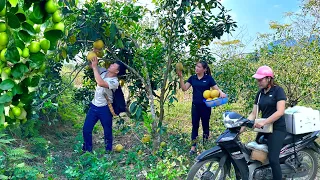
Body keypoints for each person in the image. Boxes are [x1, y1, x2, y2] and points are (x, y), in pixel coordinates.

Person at [244, 65, 287, 180]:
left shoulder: (278, 91)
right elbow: (254, 113)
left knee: (273, 159)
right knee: (255, 153)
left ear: (269, 78)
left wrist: (264, 122)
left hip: (277, 128)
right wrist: (243, 125)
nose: (258, 82)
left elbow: (280, 111)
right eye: (257, 79)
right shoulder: (260, 94)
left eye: (260, 79)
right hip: (265, 129)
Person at [177, 61, 227, 155]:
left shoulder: (208, 79)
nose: (196, 68)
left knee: (205, 126)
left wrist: (221, 93)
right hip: (195, 106)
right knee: (195, 126)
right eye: (196, 66)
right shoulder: (193, 78)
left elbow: (216, 89)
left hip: (206, 106)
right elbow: (184, 88)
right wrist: (181, 77)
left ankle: (205, 146)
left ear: (204, 69)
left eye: (199, 67)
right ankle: (193, 147)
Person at [82, 48, 126, 153]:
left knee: (107, 131)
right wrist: (94, 53)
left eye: (114, 65)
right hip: (94, 106)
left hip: (105, 109)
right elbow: (91, 65)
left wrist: (94, 68)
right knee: (86, 129)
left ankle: (108, 151)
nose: (112, 64)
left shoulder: (114, 82)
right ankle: (87, 150)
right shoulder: (103, 71)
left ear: (117, 71)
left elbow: (100, 83)